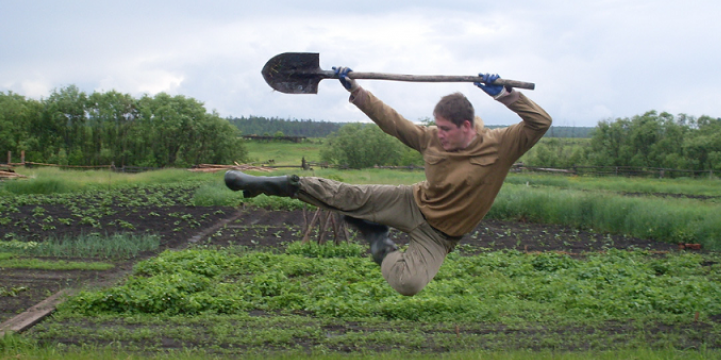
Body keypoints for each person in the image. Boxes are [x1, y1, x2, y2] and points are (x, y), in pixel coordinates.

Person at [224, 67, 552, 296]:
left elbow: (540, 122)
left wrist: (507, 96)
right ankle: (271, 184)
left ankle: (379, 243)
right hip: (412, 203)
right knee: (346, 195)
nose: (439, 134)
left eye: (446, 129)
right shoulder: (430, 139)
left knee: (409, 284)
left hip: (440, 236)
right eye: (437, 127)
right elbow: (392, 122)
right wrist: (356, 91)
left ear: (466, 126)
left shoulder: (501, 146)